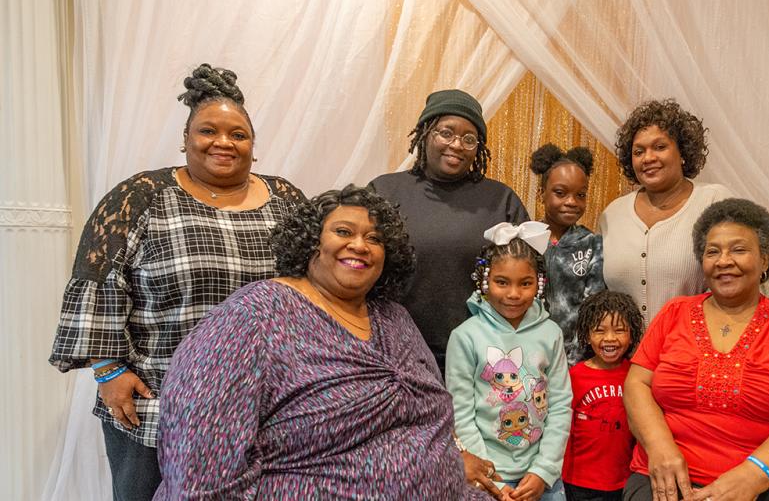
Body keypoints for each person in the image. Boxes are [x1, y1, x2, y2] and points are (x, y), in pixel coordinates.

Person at [48, 63, 305, 501]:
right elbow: (98, 281)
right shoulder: (141, 196)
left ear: (253, 147)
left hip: (263, 403)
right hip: (157, 401)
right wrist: (109, 370)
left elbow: (312, 287)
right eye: (208, 131)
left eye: (238, 135)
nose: (223, 142)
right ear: (185, 139)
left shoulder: (286, 200)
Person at [155, 186, 492, 500]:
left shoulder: (394, 318)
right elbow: (197, 470)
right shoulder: (251, 318)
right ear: (310, 241)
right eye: (343, 232)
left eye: (374, 238)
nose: (360, 245)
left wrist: (449, 457)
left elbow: (431, 415)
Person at [623, 199, 769, 501]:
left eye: (739, 250)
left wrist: (754, 475)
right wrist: (659, 447)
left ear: (765, 259)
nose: (724, 260)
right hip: (674, 478)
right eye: (712, 251)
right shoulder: (675, 312)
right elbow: (636, 384)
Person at [370, 89, 529, 376]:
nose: (457, 144)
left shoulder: (500, 200)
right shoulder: (384, 191)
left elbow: (530, 278)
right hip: (397, 354)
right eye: (446, 132)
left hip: (482, 356)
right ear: (425, 132)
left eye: (469, 139)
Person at [446, 221, 573, 501]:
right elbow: (460, 413)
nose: (514, 294)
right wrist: (490, 477)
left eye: (525, 283)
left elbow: (561, 406)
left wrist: (543, 470)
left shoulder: (550, 333)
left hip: (541, 477)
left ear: (538, 283)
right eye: (502, 282)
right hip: (487, 476)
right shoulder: (465, 337)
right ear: (484, 281)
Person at [599, 100, 732, 324]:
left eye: (660, 147)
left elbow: (741, 283)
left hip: (693, 352)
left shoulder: (714, 201)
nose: (648, 158)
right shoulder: (612, 215)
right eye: (639, 151)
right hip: (625, 357)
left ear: (682, 152)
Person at [562, 291, 645, 501]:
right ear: (587, 334)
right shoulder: (574, 377)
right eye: (599, 331)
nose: (610, 338)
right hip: (579, 482)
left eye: (619, 330)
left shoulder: (636, 375)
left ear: (632, 334)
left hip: (623, 481)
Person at [529, 143, 606, 363]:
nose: (571, 202)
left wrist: (573, 361)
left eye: (580, 195)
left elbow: (593, 308)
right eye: (560, 193)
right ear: (541, 194)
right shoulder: (526, 240)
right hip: (527, 357)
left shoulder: (592, 244)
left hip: (575, 360)